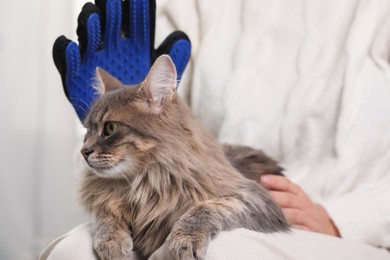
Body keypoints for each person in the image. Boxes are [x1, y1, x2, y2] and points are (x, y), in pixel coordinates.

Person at [40, 0, 390, 259]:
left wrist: (342, 217)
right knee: (74, 251)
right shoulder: (196, 6)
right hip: (185, 185)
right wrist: (111, 109)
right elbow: (159, 136)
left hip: (338, 227)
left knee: (226, 252)